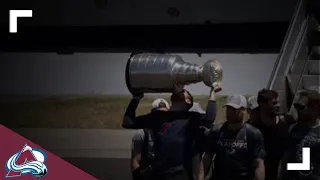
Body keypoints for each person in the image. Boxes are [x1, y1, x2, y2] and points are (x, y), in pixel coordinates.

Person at [123, 83, 222, 180]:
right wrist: (136, 99)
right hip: (158, 175)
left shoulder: (191, 118)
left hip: (181, 176)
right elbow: (128, 122)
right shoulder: (158, 117)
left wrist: (212, 93)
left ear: (188, 101)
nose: (178, 90)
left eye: (183, 91)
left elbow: (210, 117)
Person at [197, 94, 266, 180]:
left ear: (244, 110)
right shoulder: (216, 131)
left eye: (234, 109)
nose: (230, 112)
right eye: (228, 108)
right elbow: (206, 158)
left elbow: (258, 164)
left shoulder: (253, 134)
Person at [250, 89, 295, 180]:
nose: (278, 105)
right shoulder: (252, 129)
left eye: (278, 102)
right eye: (274, 103)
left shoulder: (288, 122)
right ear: (262, 104)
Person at [282, 90, 320, 180]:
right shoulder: (293, 128)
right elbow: (286, 159)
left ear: (315, 108)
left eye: (301, 107)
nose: (297, 110)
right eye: (296, 106)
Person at [131, 98, 169, 180]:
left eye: (164, 114)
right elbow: (136, 161)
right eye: (158, 113)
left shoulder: (172, 133)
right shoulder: (141, 134)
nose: (161, 117)